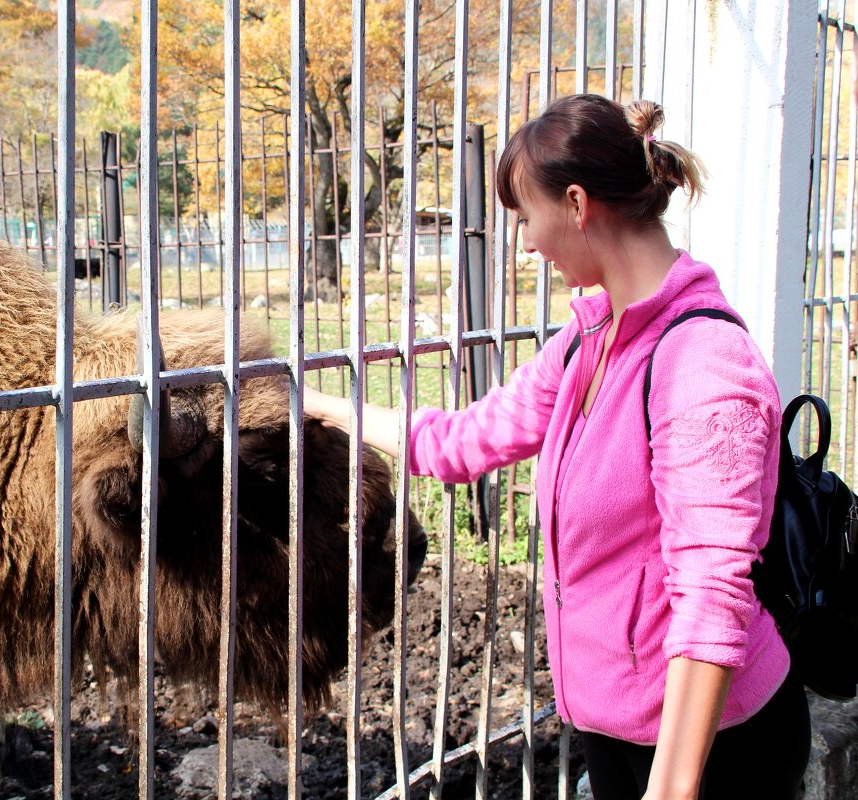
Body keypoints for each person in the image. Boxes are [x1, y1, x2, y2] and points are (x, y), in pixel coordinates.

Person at [304, 94, 811, 800]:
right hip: (620, 725)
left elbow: (712, 594)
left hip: (712, 746)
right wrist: (320, 408)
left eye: (524, 217)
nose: (525, 242)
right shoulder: (584, 343)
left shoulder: (703, 363)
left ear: (576, 204)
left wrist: (671, 786)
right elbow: (463, 440)